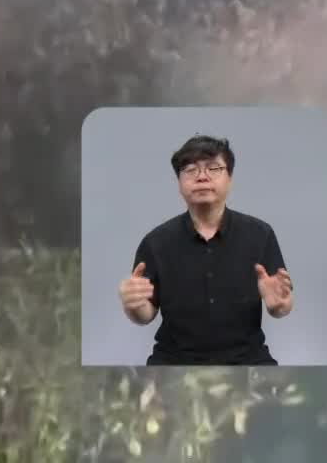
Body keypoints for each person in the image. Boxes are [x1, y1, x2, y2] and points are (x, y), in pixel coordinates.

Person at [117, 135, 294, 365]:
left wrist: (280, 305)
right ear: (179, 183)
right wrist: (134, 305)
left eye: (214, 168)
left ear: (230, 178)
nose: (202, 177)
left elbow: (282, 304)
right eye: (190, 170)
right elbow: (145, 315)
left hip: (247, 359)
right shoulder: (156, 242)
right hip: (175, 361)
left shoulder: (260, 234)